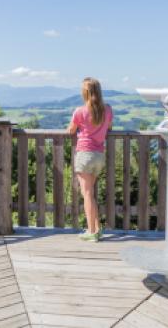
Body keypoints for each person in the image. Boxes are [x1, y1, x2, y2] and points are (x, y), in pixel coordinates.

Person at [68, 77, 113, 242]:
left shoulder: (79, 111)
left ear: (85, 93)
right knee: (90, 193)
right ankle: (97, 228)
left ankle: (92, 232)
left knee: (87, 194)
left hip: (85, 154)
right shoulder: (107, 109)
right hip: (99, 155)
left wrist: (79, 129)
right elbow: (109, 127)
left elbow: (70, 131)